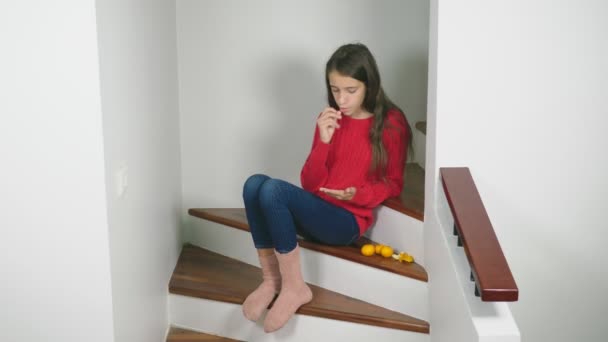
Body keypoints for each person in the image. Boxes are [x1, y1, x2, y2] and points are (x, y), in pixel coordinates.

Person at [241, 43, 411, 333]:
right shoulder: (331, 118)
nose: (341, 99)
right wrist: (324, 139)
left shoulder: (392, 124)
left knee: (273, 191)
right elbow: (310, 183)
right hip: (318, 211)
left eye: (350, 90)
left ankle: (295, 287)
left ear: (369, 85)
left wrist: (357, 194)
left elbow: (393, 184)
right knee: (254, 184)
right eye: (335, 89)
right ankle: (272, 280)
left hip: (346, 222)